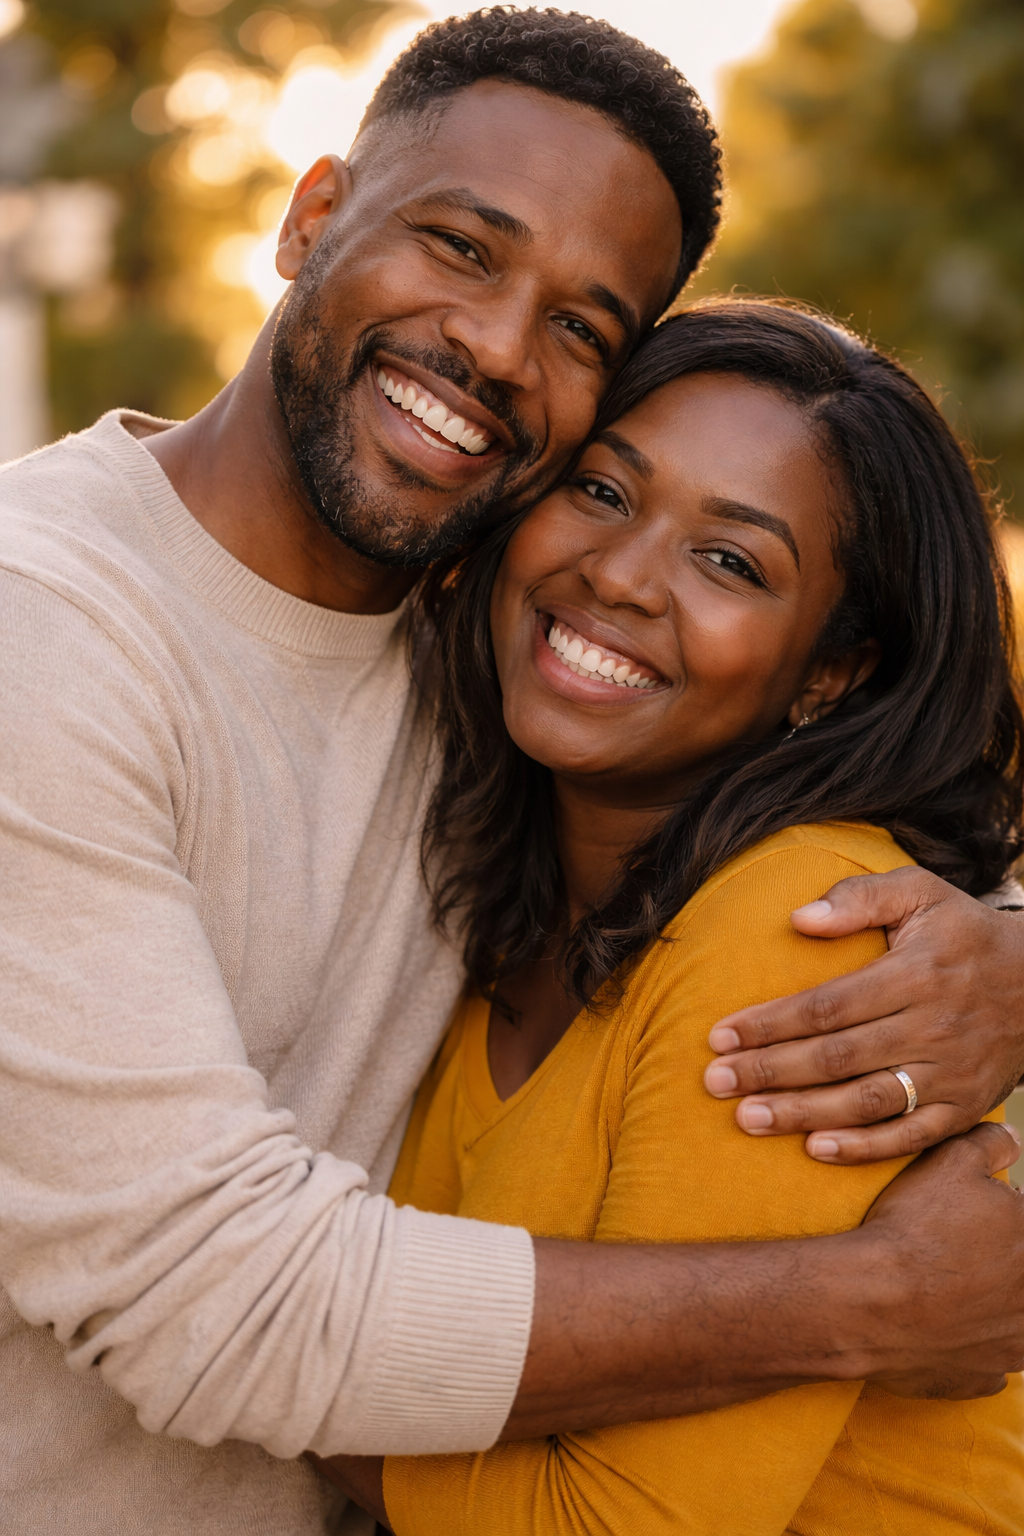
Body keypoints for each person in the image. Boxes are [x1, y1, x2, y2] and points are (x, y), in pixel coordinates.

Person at [0, 10, 1021, 1536]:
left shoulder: (480, 650)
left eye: (579, 329)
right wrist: (862, 1301)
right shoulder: (50, 631)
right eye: (464, 249)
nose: (492, 346)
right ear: (310, 217)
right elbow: (209, 1300)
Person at [324, 298, 1024, 1533]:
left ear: (830, 670)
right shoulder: (486, 899)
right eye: (601, 492)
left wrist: (276, 1406)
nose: (620, 576)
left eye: (730, 562)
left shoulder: (801, 929)